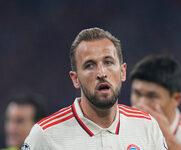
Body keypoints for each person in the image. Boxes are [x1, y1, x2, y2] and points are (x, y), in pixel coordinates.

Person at [22, 27, 167, 150]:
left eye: (108, 62)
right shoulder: (45, 135)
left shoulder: (146, 126)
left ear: (122, 72)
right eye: (89, 65)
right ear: (75, 79)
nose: (102, 73)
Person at [129, 54, 181, 150]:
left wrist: (167, 137)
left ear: (176, 99)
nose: (141, 104)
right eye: (137, 94)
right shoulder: (119, 128)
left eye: (152, 96)